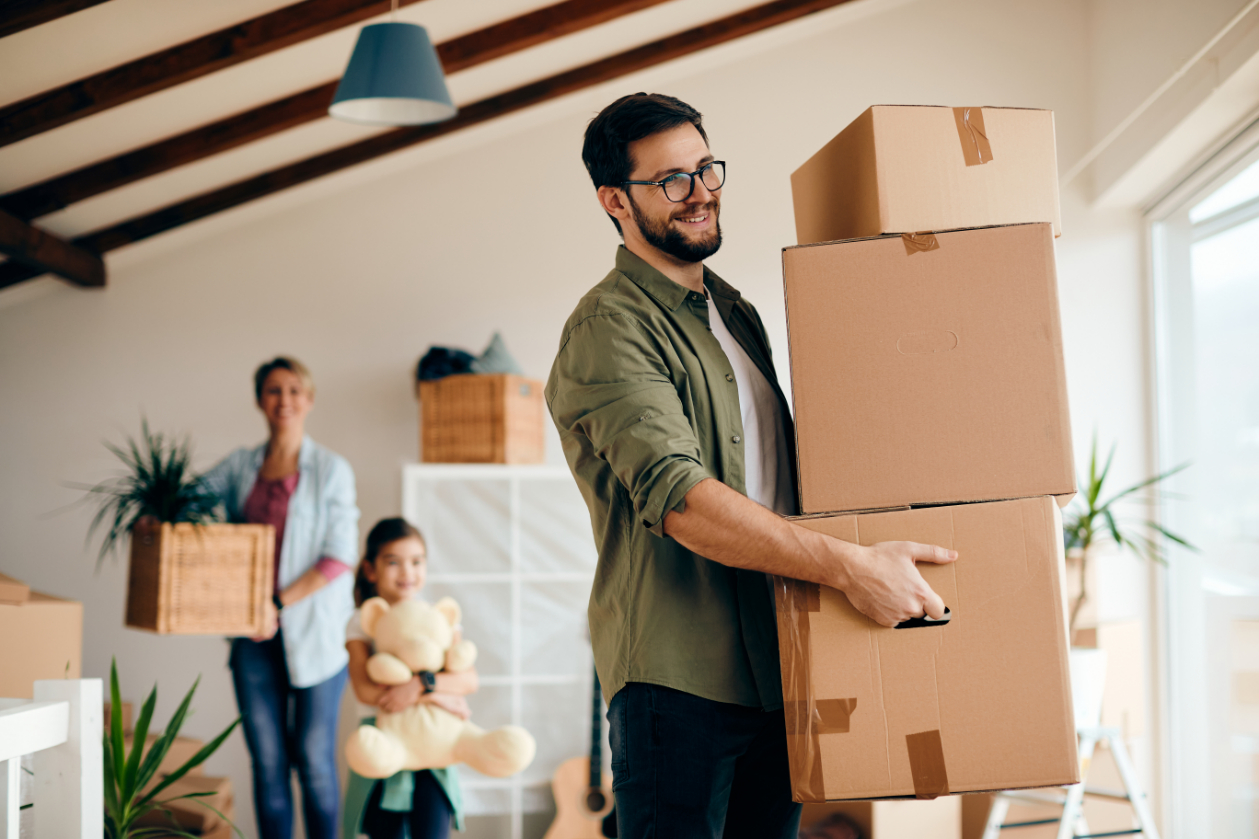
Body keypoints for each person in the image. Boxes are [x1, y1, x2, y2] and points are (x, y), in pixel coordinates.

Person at [545, 93, 959, 839]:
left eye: (706, 167)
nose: (700, 191)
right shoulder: (609, 328)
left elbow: (785, 476)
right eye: (671, 179)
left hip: (781, 665)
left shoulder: (735, 312)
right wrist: (850, 568)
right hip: (678, 681)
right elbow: (682, 501)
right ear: (614, 200)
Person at [202, 356, 359, 839]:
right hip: (251, 637)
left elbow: (339, 557)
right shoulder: (239, 465)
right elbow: (190, 499)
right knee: (268, 764)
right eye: (273, 390)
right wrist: (153, 514)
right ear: (259, 401)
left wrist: (277, 604)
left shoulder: (331, 469)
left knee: (313, 763)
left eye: (294, 390)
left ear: (308, 400)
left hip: (314, 634)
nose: (284, 400)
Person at [342, 517, 476, 839]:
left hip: (434, 745)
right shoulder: (361, 622)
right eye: (393, 562)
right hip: (382, 741)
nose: (407, 573)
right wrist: (442, 694)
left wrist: (419, 686)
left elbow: (468, 680)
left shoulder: (438, 619)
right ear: (371, 569)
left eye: (417, 562)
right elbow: (365, 690)